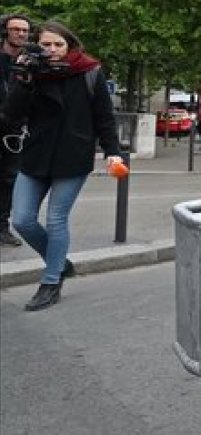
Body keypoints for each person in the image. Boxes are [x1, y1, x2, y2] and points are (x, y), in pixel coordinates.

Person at [3, 21, 124, 311]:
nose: (52, 50)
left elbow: (104, 117)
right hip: (36, 154)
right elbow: (12, 115)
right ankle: (59, 263)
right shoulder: (31, 71)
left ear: (69, 46)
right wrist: (24, 80)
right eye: (46, 45)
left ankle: (51, 281)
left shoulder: (89, 72)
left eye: (58, 44)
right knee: (22, 220)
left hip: (73, 155)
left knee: (56, 219)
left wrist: (113, 151)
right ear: (37, 46)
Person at [0, 14, 33, 247]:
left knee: (9, 180)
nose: (21, 34)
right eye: (16, 29)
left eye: (25, 30)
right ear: (5, 31)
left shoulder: (30, 61)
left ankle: (2, 227)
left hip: (14, 131)